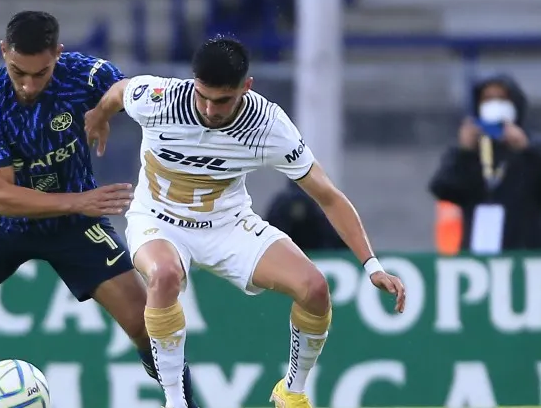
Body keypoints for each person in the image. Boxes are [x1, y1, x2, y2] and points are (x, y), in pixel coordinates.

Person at [0, 11, 200, 408]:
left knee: (146, 326)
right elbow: (1, 197)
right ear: (3, 52)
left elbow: (130, 88)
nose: (28, 85)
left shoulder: (82, 74)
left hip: (73, 227)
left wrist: (103, 110)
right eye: (17, 72)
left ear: (58, 55)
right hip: (0, 226)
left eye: (40, 74)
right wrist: (79, 201)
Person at [84, 37, 406, 408]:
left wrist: (372, 264)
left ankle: (293, 392)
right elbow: (119, 92)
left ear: (246, 87)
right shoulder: (157, 97)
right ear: (192, 82)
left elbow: (328, 195)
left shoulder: (268, 125)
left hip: (227, 224)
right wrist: (99, 116)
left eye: (222, 100)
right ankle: (176, 401)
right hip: (158, 219)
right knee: (165, 276)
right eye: (202, 96)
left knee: (314, 288)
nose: (209, 108)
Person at [429, 74, 541, 252]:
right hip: (478, 251)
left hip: (525, 252)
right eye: (488, 99)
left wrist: (526, 148)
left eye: (501, 98)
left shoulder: (532, 148)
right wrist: (465, 152)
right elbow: (443, 188)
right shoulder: (471, 151)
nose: (495, 104)